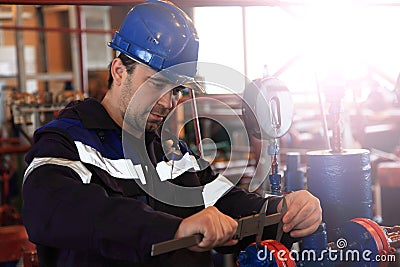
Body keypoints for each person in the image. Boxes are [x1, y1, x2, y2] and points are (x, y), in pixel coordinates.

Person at [22, 1, 322, 266]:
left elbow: (226, 204)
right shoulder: (68, 143)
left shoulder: (172, 152)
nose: (167, 102)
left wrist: (283, 211)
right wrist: (172, 229)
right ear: (118, 70)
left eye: (177, 89)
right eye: (155, 84)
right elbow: (51, 210)